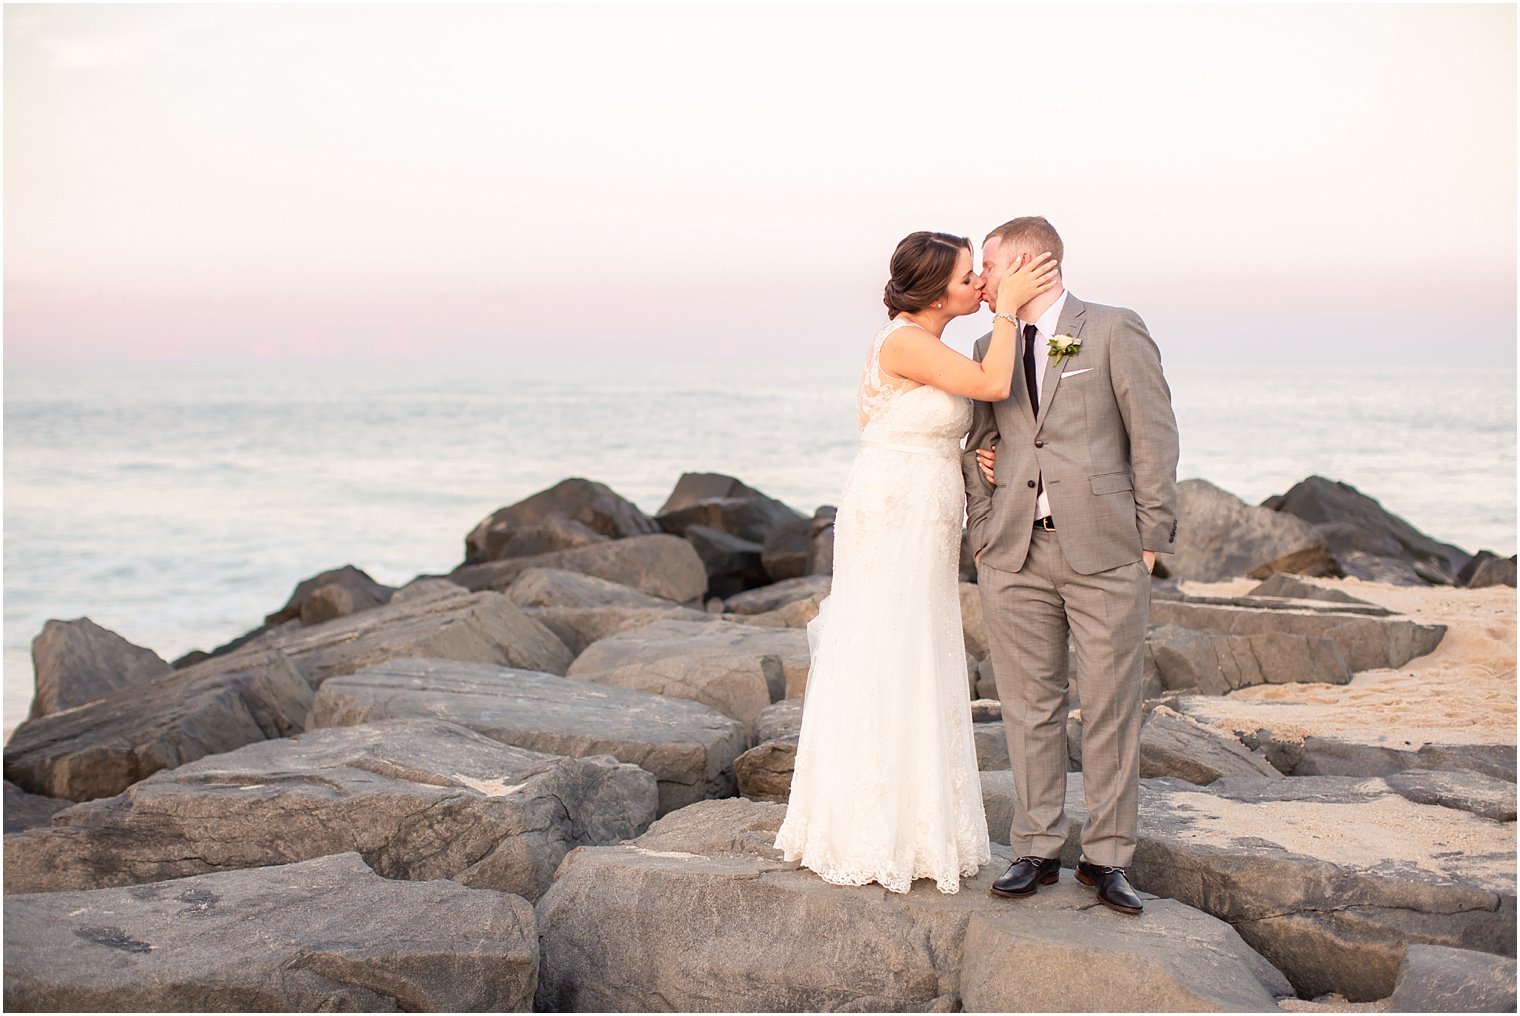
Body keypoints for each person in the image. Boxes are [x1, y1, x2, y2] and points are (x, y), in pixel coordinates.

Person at [773, 231, 1057, 894]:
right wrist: (1010, 311)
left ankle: (923, 823)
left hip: (926, 504)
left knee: (919, 645)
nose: (980, 286)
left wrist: (968, 457)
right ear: (934, 290)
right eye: (969, 278)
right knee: (885, 646)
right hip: (893, 509)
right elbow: (992, 382)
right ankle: (868, 827)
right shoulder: (901, 339)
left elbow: (920, 422)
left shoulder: (929, 345)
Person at [965, 216, 1179, 915]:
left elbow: (1153, 432)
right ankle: (1037, 846)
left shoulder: (1114, 328)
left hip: (1105, 550)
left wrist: (1151, 538)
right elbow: (977, 444)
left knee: (1112, 708)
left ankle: (1108, 858)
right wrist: (983, 529)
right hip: (1014, 554)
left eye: (990, 265)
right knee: (1029, 707)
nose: (982, 279)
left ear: (1030, 261)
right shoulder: (984, 345)